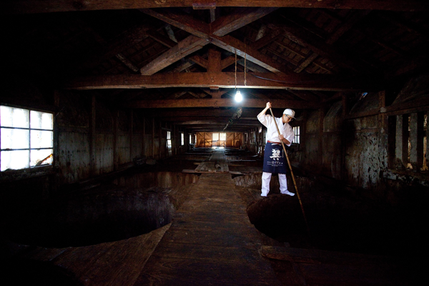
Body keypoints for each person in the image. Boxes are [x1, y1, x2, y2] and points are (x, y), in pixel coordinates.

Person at [257, 102, 295, 197]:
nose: (289, 120)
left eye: (291, 118)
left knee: (282, 171)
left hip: (280, 147)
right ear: (283, 115)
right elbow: (260, 117)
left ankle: (284, 190)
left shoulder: (289, 128)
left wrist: (283, 139)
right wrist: (266, 108)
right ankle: (264, 191)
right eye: (288, 117)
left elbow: (289, 142)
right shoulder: (272, 120)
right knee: (267, 170)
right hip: (270, 146)